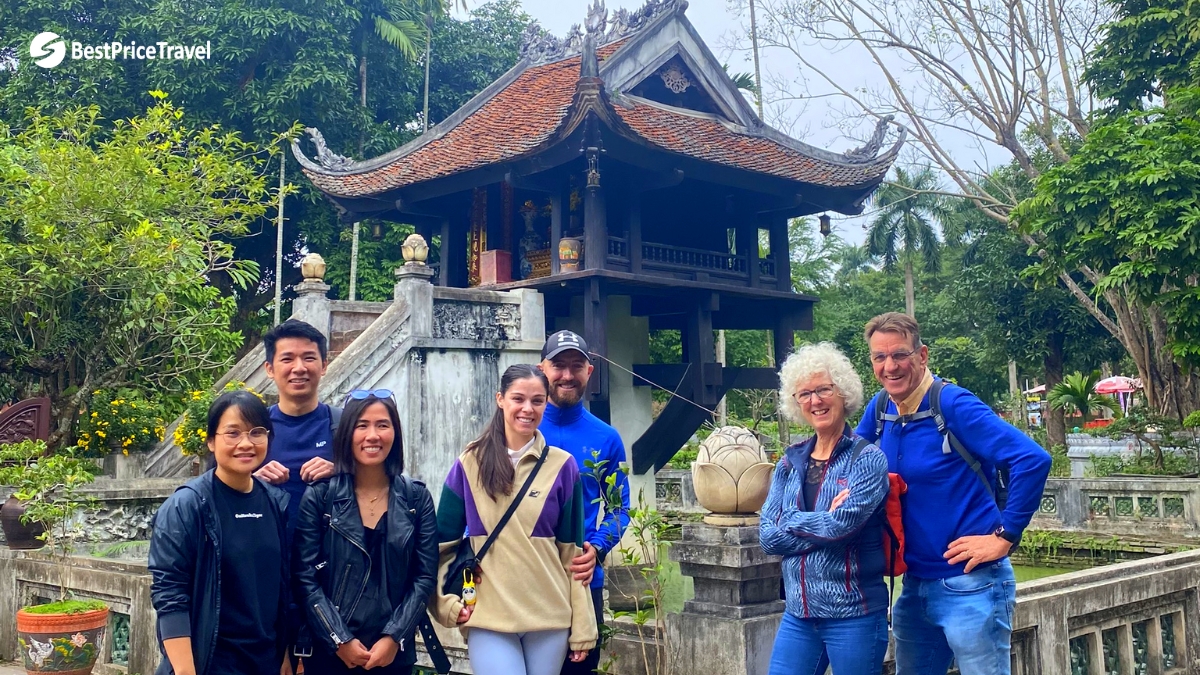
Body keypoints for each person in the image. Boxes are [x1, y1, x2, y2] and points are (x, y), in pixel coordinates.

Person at [854, 312, 1052, 675]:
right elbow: (849, 463)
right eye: (879, 357)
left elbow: (1032, 459)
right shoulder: (880, 409)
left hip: (971, 583)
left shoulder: (953, 405)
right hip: (914, 586)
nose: (890, 366)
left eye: (899, 354)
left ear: (922, 355)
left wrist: (1005, 537)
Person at [430, 364, 597, 675]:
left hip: (551, 616)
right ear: (500, 399)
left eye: (537, 401)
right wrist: (444, 605)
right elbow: (440, 546)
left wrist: (583, 625)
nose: (527, 409)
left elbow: (571, 555)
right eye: (518, 398)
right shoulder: (469, 464)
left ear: (546, 403)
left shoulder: (564, 467)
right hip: (490, 616)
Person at [760, 342, 891, 675]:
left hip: (854, 614)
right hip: (799, 614)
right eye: (804, 394)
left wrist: (792, 521)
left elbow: (842, 528)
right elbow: (767, 537)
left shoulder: (867, 459)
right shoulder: (789, 462)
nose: (814, 401)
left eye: (823, 390)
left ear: (843, 393)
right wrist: (822, 520)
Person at [291, 391, 439, 675]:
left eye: (382, 425)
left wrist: (395, 636)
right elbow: (304, 578)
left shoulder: (415, 499)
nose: (373, 435)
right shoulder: (322, 497)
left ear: (394, 432)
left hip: (393, 654)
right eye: (362, 425)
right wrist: (339, 639)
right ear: (347, 433)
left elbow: (424, 577)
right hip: (330, 654)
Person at [149, 390, 292, 675]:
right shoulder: (186, 506)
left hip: (264, 661)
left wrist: (286, 654)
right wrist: (185, 671)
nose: (246, 443)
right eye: (233, 433)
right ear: (211, 441)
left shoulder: (276, 503)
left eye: (256, 432)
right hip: (209, 662)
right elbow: (170, 594)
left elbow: (282, 587)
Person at [537, 330, 630, 675]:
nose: (566, 375)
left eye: (576, 366)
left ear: (589, 372)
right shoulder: (518, 432)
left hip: (581, 579)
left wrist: (597, 546)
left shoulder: (606, 437)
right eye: (558, 365)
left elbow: (620, 507)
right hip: (526, 578)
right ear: (542, 369)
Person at [255, 319, 339, 529]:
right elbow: (219, 487)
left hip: (332, 554)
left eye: (309, 358)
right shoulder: (253, 430)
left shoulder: (345, 425)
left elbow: (380, 484)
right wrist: (253, 481)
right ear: (270, 368)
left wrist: (342, 471)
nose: (299, 368)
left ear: (324, 366)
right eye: (287, 359)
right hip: (267, 553)